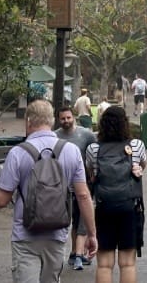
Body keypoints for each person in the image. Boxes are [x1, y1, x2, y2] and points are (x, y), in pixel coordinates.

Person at [0, 99, 98, 283]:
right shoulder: (71, 151)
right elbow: (83, 195)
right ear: (52, 120)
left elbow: (2, 200)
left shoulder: (17, 153)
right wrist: (91, 234)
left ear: (28, 121)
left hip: (25, 234)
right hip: (57, 233)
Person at [86, 105, 147, 283]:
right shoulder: (137, 146)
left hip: (104, 208)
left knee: (104, 264)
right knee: (127, 263)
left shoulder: (93, 149)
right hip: (130, 207)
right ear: (125, 124)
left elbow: (91, 174)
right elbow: (142, 167)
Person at [55, 106, 97, 270]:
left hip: (83, 184)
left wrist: (93, 172)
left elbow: (95, 153)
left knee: (81, 221)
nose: (66, 121)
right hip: (60, 187)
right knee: (67, 220)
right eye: (63, 118)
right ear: (59, 120)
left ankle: (78, 255)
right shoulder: (55, 136)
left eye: (68, 118)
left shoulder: (86, 134)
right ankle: (74, 252)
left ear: (74, 118)